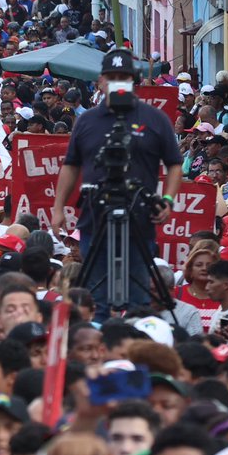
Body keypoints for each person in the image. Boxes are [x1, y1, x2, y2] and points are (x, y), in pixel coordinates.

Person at [52, 49, 182, 318]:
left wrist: (167, 200)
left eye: (123, 76)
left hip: (139, 220)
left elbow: (174, 163)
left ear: (133, 80)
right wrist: (57, 207)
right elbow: (71, 165)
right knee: (95, 300)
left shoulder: (155, 118)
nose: (117, 82)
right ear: (100, 81)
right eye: (111, 77)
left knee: (138, 302)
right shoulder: (86, 120)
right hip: (94, 220)